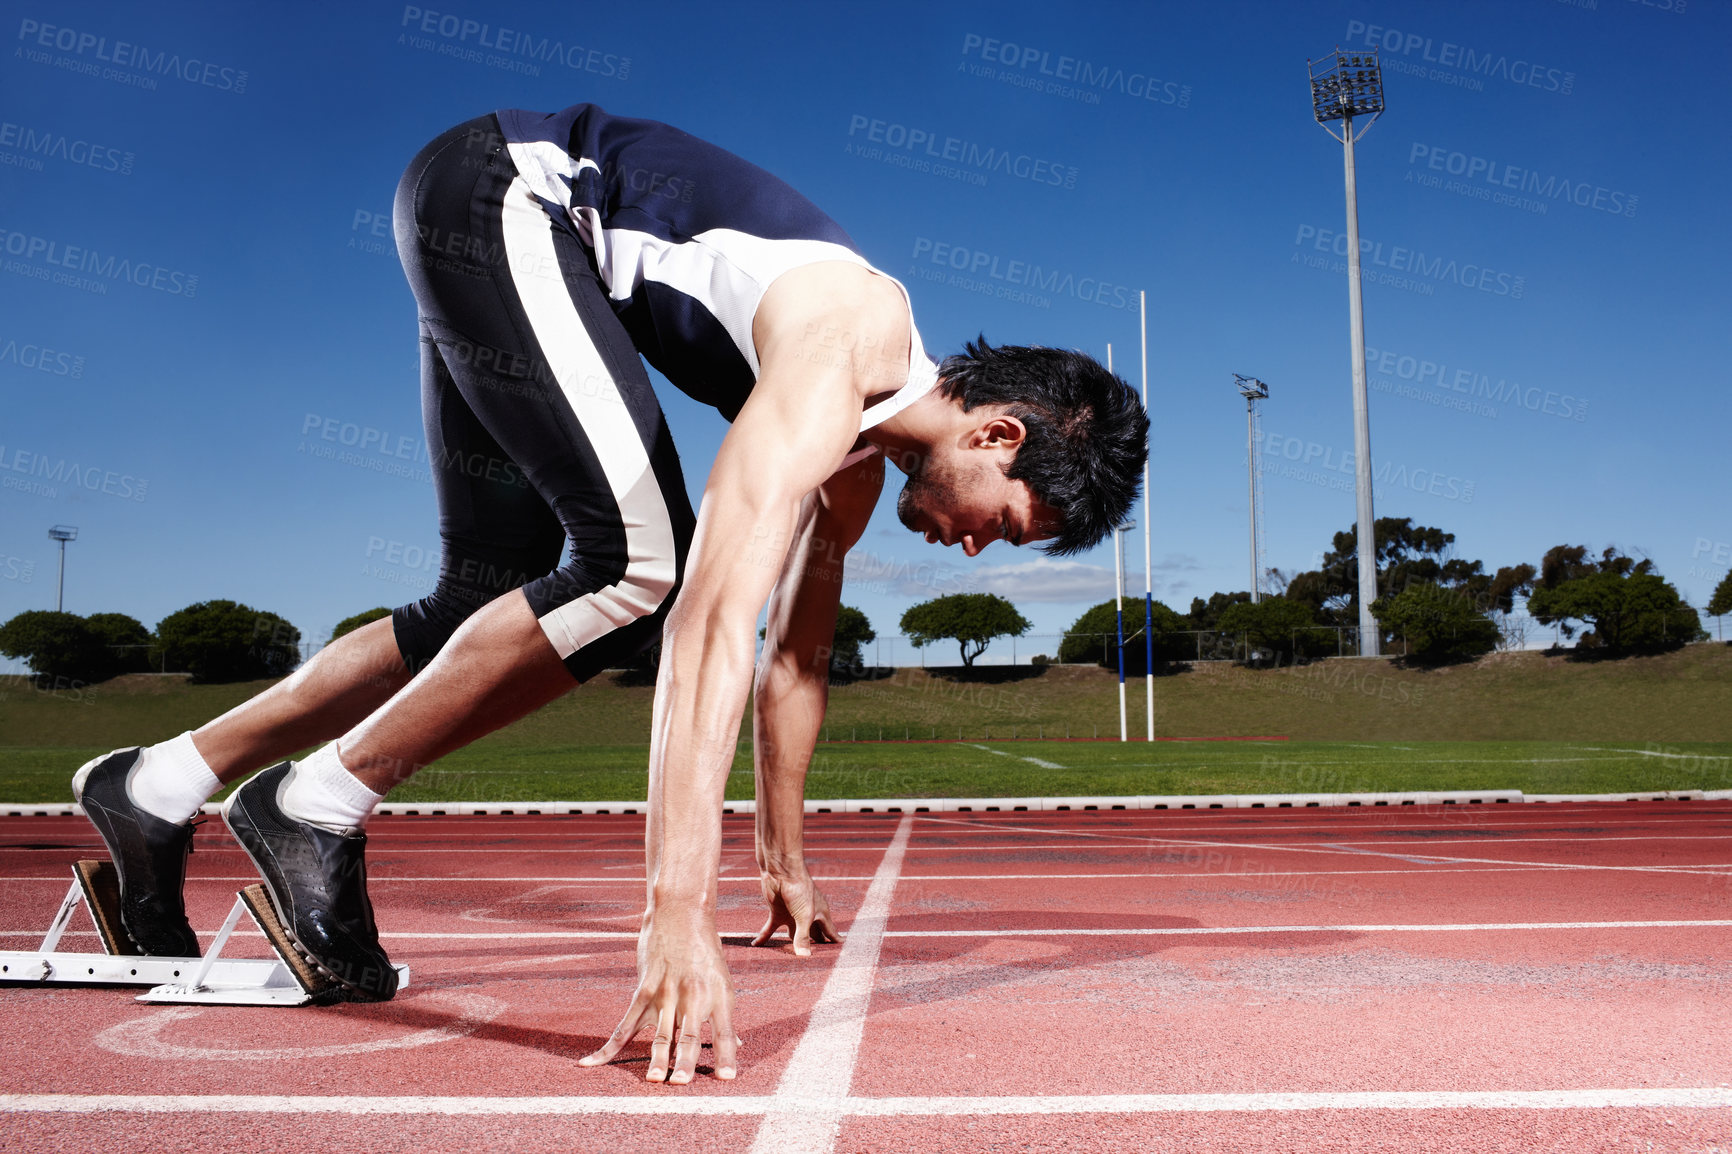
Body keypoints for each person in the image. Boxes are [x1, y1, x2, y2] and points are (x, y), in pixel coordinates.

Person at [72, 103, 1148, 1084]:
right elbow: (711, 619)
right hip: (510, 196)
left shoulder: (857, 471)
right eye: (1003, 522)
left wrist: (781, 858)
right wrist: (676, 913)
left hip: (500, 230)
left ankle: (161, 781)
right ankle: (315, 805)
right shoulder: (842, 346)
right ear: (995, 431)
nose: (972, 548)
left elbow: (793, 659)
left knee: (479, 603)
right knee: (641, 563)